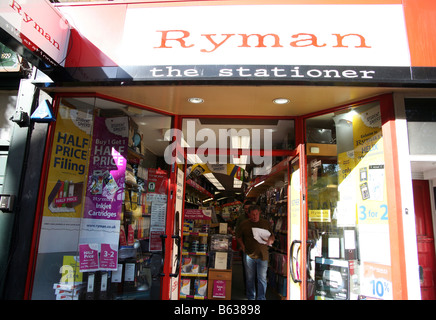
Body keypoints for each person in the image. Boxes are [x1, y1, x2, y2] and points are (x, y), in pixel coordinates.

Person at [236, 204, 274, 300]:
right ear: (249, 214)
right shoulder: (244, 224)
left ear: (259, 213)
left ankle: (261, 298)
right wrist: (243, 246)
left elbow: (272, 236)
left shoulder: (265, 223)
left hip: (263, 256)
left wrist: (270, 240)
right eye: (252, 214)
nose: (254, 216)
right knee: (250, 279)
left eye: (256, 214)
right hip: (249, 255)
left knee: (262, 279)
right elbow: (238, 236)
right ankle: (251, 298)